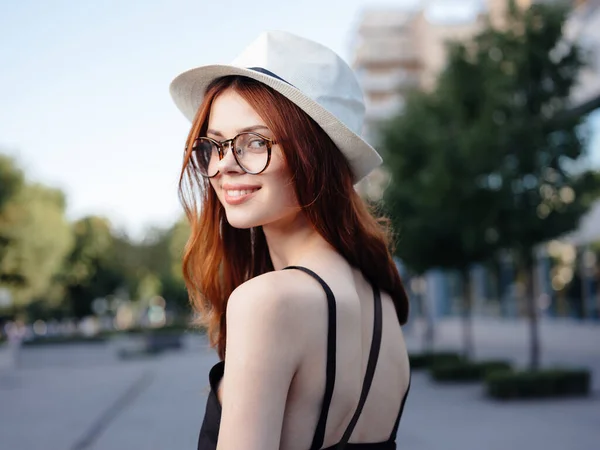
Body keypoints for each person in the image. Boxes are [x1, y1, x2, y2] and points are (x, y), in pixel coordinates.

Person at [170, 30, 411, 450]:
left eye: (254, 142)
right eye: (213, 145)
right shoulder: (382, 301)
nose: (224, 165)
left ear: (314, 153)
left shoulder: (268, 302)